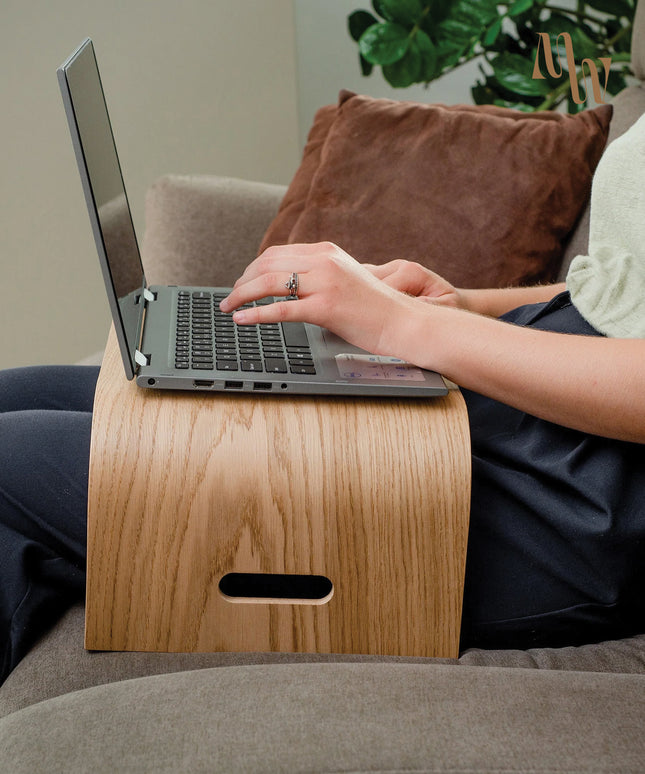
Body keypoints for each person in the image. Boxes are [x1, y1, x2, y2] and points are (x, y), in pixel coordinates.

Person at [1, 115, 643, 684]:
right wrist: (469, 305)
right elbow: (619, 283)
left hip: (579, 490)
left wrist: (409, 328)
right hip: (514, 379)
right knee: (14, 396)